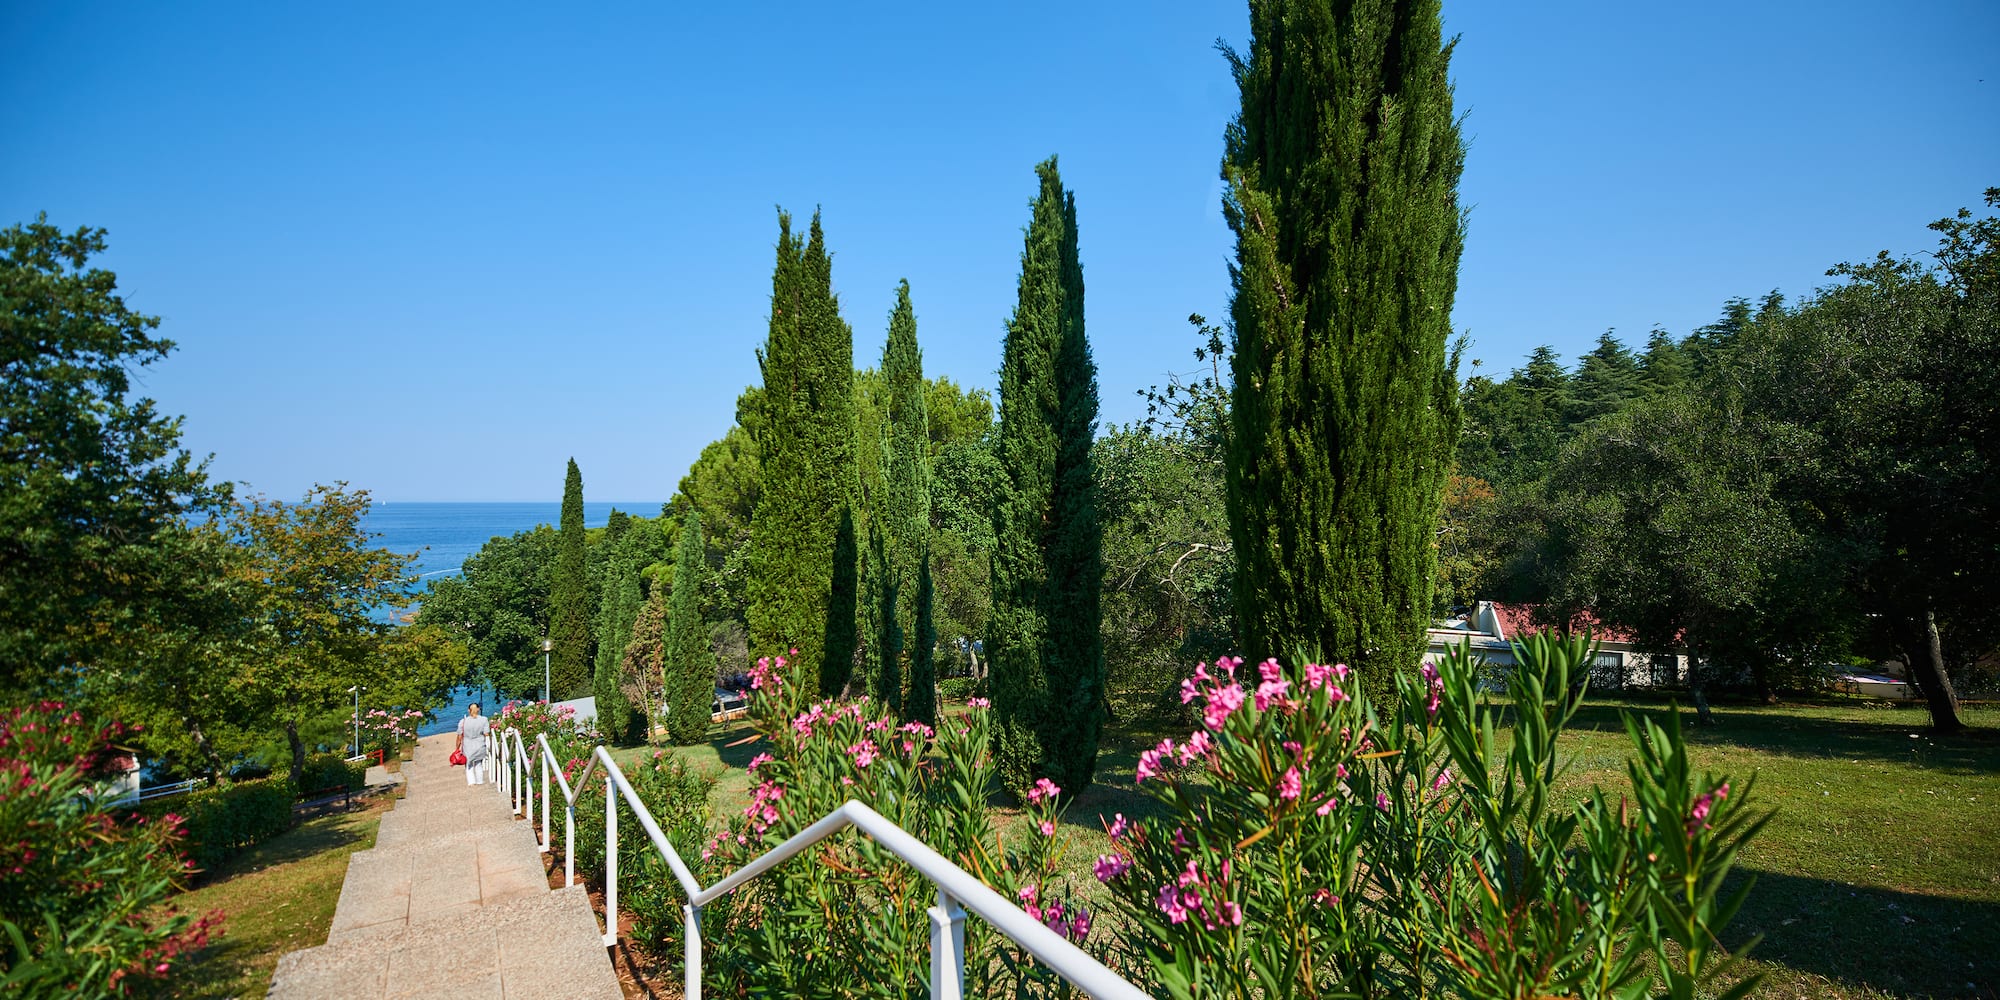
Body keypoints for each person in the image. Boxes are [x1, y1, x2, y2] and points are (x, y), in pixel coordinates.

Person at [456, 702, 491, 785]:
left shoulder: (463, 721)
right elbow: (486, 733)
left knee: (469, 765)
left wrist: (457, 748)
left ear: (469, 710)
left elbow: (459, 736)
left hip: (467, 745)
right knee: (478, 764)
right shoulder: (484, 719)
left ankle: (471, 782)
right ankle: (480, 781)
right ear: (478, 709)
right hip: (479, 744)